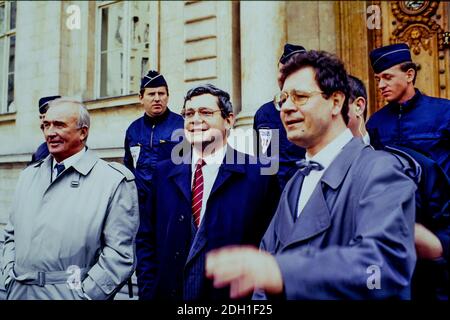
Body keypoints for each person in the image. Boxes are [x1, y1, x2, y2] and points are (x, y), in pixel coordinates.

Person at [206, 50, 417, 299]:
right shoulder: (296, 182)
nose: (286, 108)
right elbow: (266, 261)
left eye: (300, 97)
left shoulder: (381, 170)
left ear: (336, 102)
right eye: (282, 99)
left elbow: (382, 268)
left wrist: (282, 272)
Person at [136, 84, 280, 300]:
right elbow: (147, 240)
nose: (195, 120)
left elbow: (270, 247)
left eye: (205, 113)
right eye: (189, 114)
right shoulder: (163, 173)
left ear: (229, 120)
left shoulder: (260, 175)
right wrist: (149, 294)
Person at [2, 98, 139, 300]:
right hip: (19, 294)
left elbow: (119, 256)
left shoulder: (113, 181)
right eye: (45, 125)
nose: (50, 132)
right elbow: (11, 236)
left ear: (83, 132)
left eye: (59, 125)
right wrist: (9, 276)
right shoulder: (28, 176)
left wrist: (86, 296)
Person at [348, 75, 450, 300]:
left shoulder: (416, 165)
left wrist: (434, 246)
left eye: (387, 77)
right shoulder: (301, 179)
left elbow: (442, 232)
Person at [366, 43, 450, 177]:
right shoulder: (375, 123)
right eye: (378, 79)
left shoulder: (445, 112)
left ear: (409, 75)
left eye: (388, 77)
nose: (381, 85)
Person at [124, 70, 184, 212]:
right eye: (151, 94)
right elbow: (128, 167)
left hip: (171, 203)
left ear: (168, 97)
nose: (157, 98)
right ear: (141, 97)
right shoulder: (133, 130)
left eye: (161, 94)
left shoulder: (181, 126)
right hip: (141, 205)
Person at [253, 43, 306, 190]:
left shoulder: (314, 110)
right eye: (282, 71)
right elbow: (263, 162)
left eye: (291, 72)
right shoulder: (264, 113)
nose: (283, 77)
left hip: (304, 191)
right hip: (272, 198)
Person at [30, 95, 61, 164]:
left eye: (46, 117)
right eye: (41, 117)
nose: (42, 123)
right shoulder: (42, 149)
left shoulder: (67, 147)